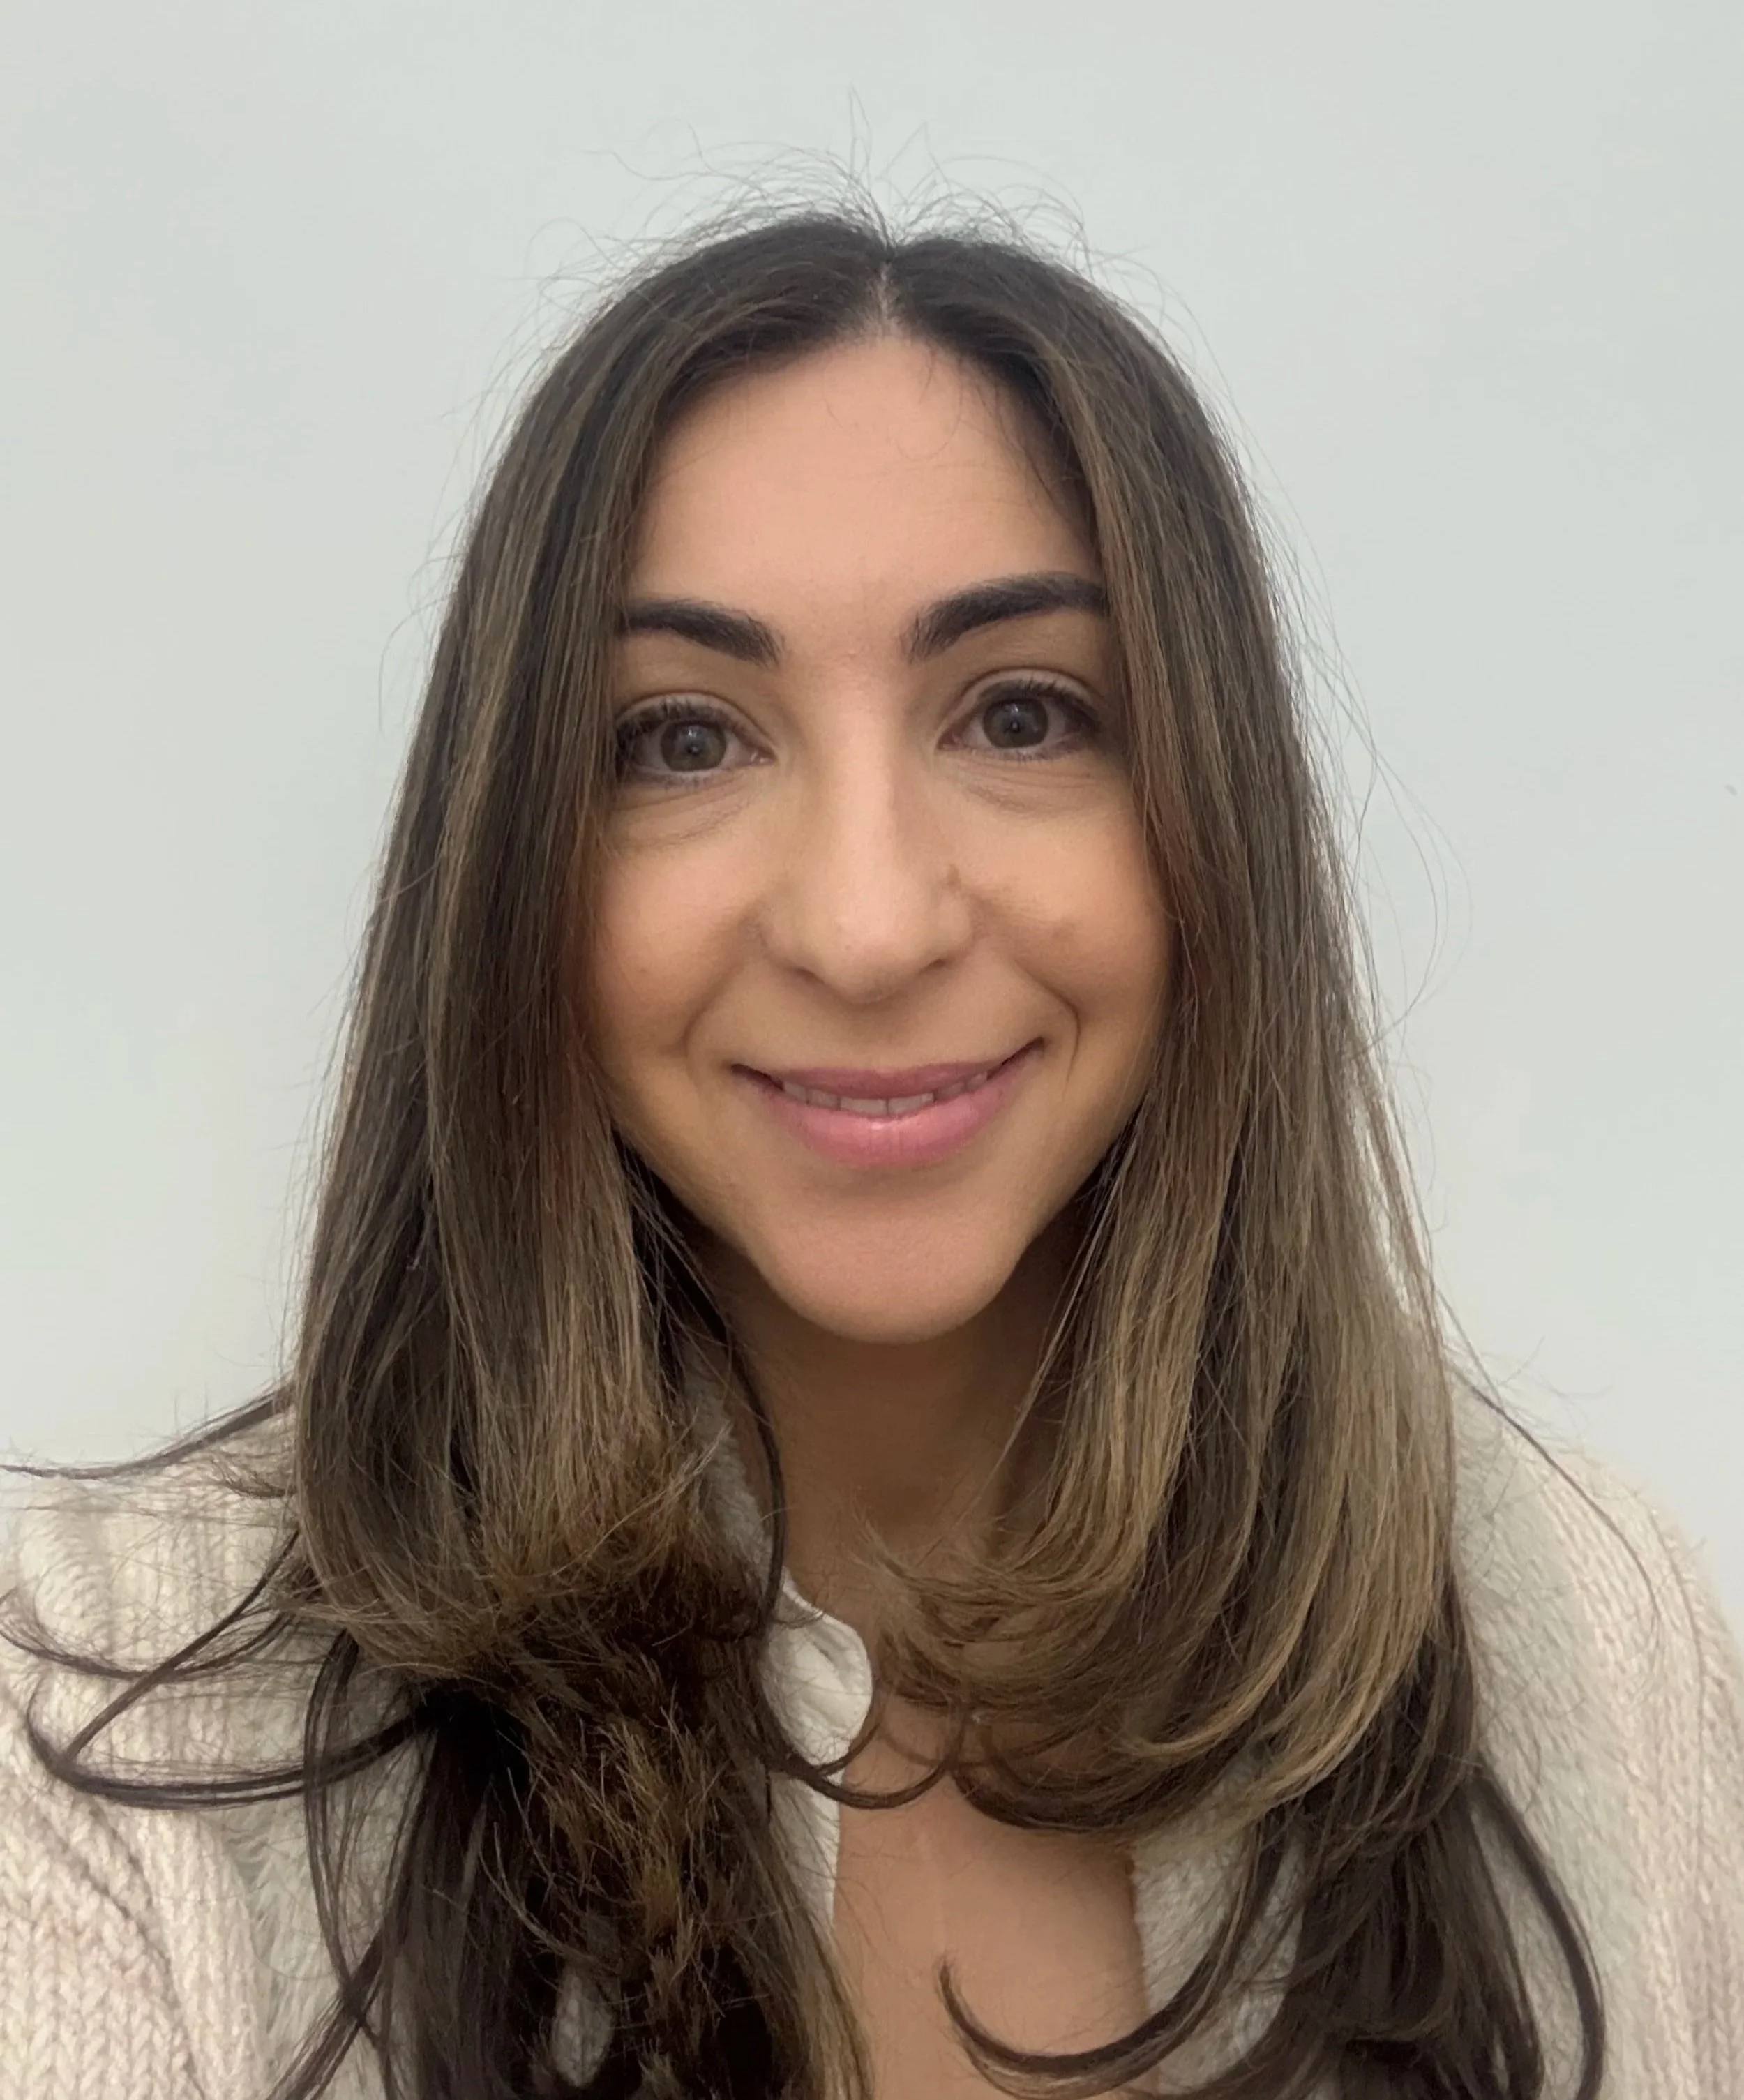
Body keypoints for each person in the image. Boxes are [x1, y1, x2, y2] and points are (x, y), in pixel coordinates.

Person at [1, 204, 1740, 2100]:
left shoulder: (1583, 1623)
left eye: (1019, 713)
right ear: (515, 872)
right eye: (680, 739)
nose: (864, 925)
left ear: (1204, 835)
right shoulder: (93, 1711)